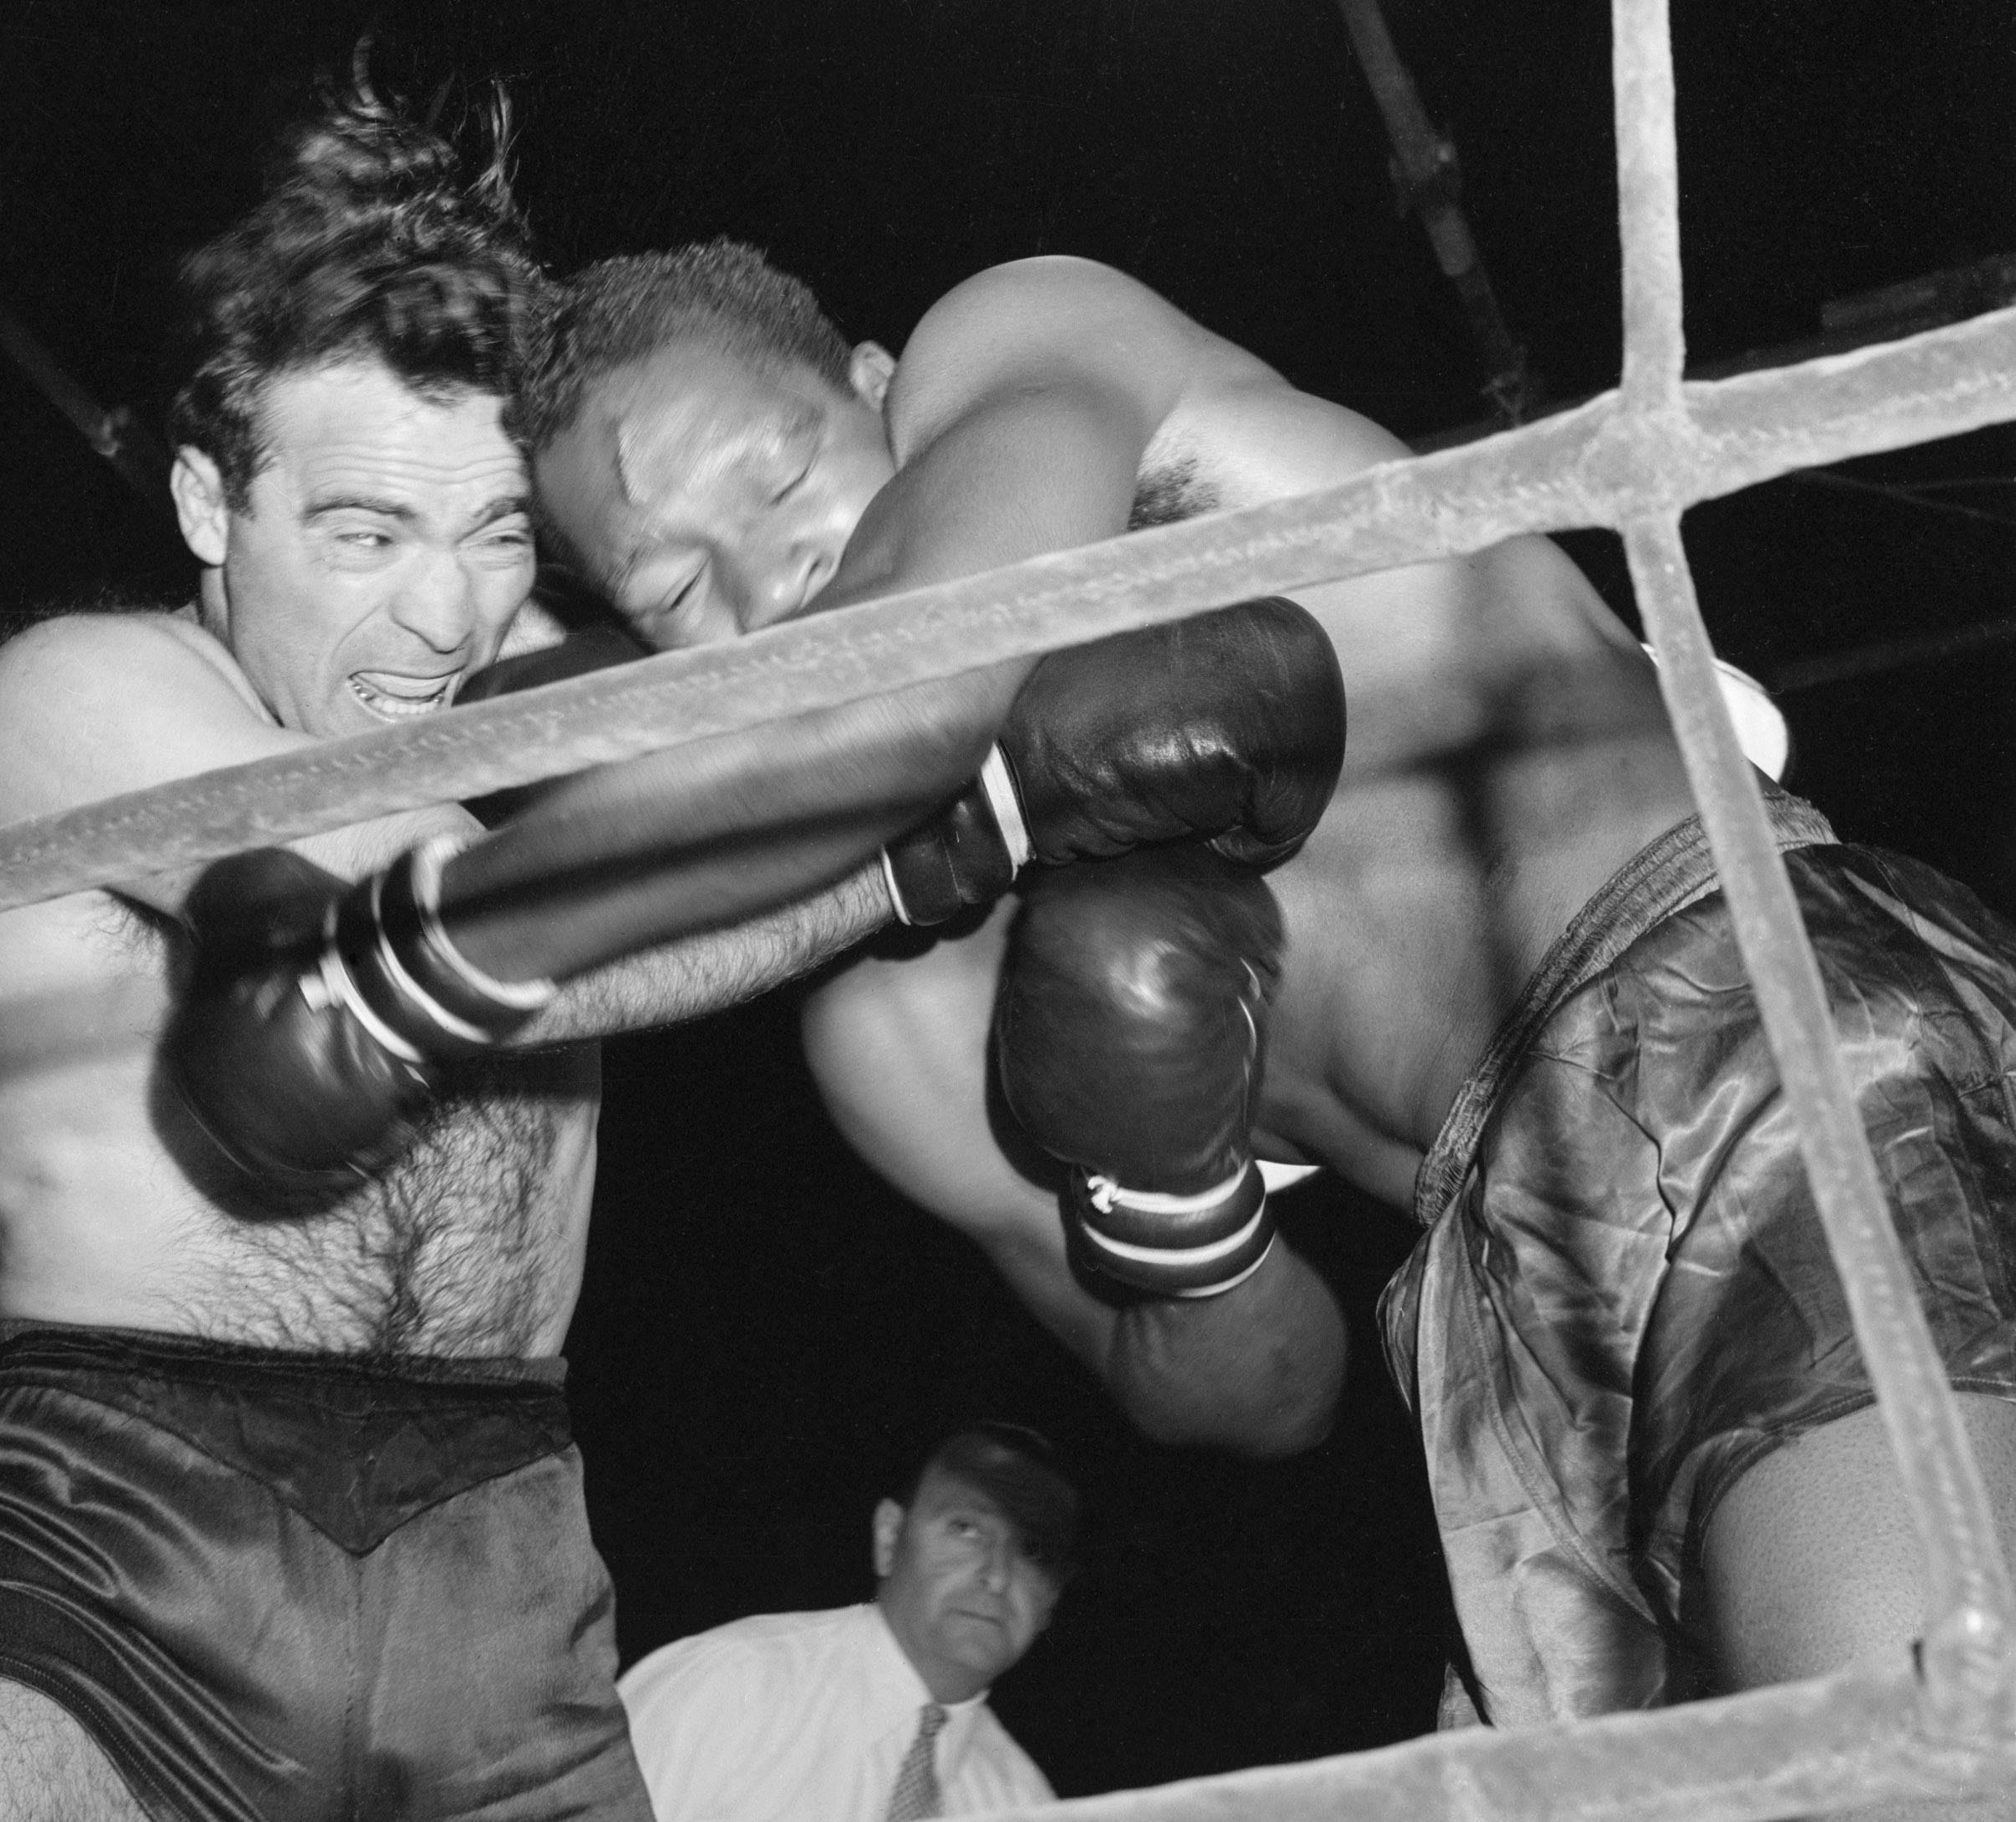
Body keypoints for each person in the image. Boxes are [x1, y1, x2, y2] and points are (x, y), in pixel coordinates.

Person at [508, 241, 2016, 1776]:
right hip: (1479, 1288)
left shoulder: (1023, 333)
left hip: (1733, 992)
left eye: (778, 484)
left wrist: (421, 963)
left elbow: (902, 696)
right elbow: (1267, 1394)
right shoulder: (894, 1032)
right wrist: (1164, 1192)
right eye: (681, 591)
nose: (773, 588)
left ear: (881, 389)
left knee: (1920, 1756)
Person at [0, 101, 891, 1822]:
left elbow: (858, 589)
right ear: (208, 506)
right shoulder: (81, 698)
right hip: (117, 1543)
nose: (444, 625)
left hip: (508, 1565)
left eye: (498, 535)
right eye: (368, 535)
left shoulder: (549, 693)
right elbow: (449, 938)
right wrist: (937, 832)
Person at [618, 1424, 1074, 1821]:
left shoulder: (1024, 1803)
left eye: (1030, 1549)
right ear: (891, 1535)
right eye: (966, 1528)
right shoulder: (731, 1687)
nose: (996, 1576)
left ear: (1051, 1599)